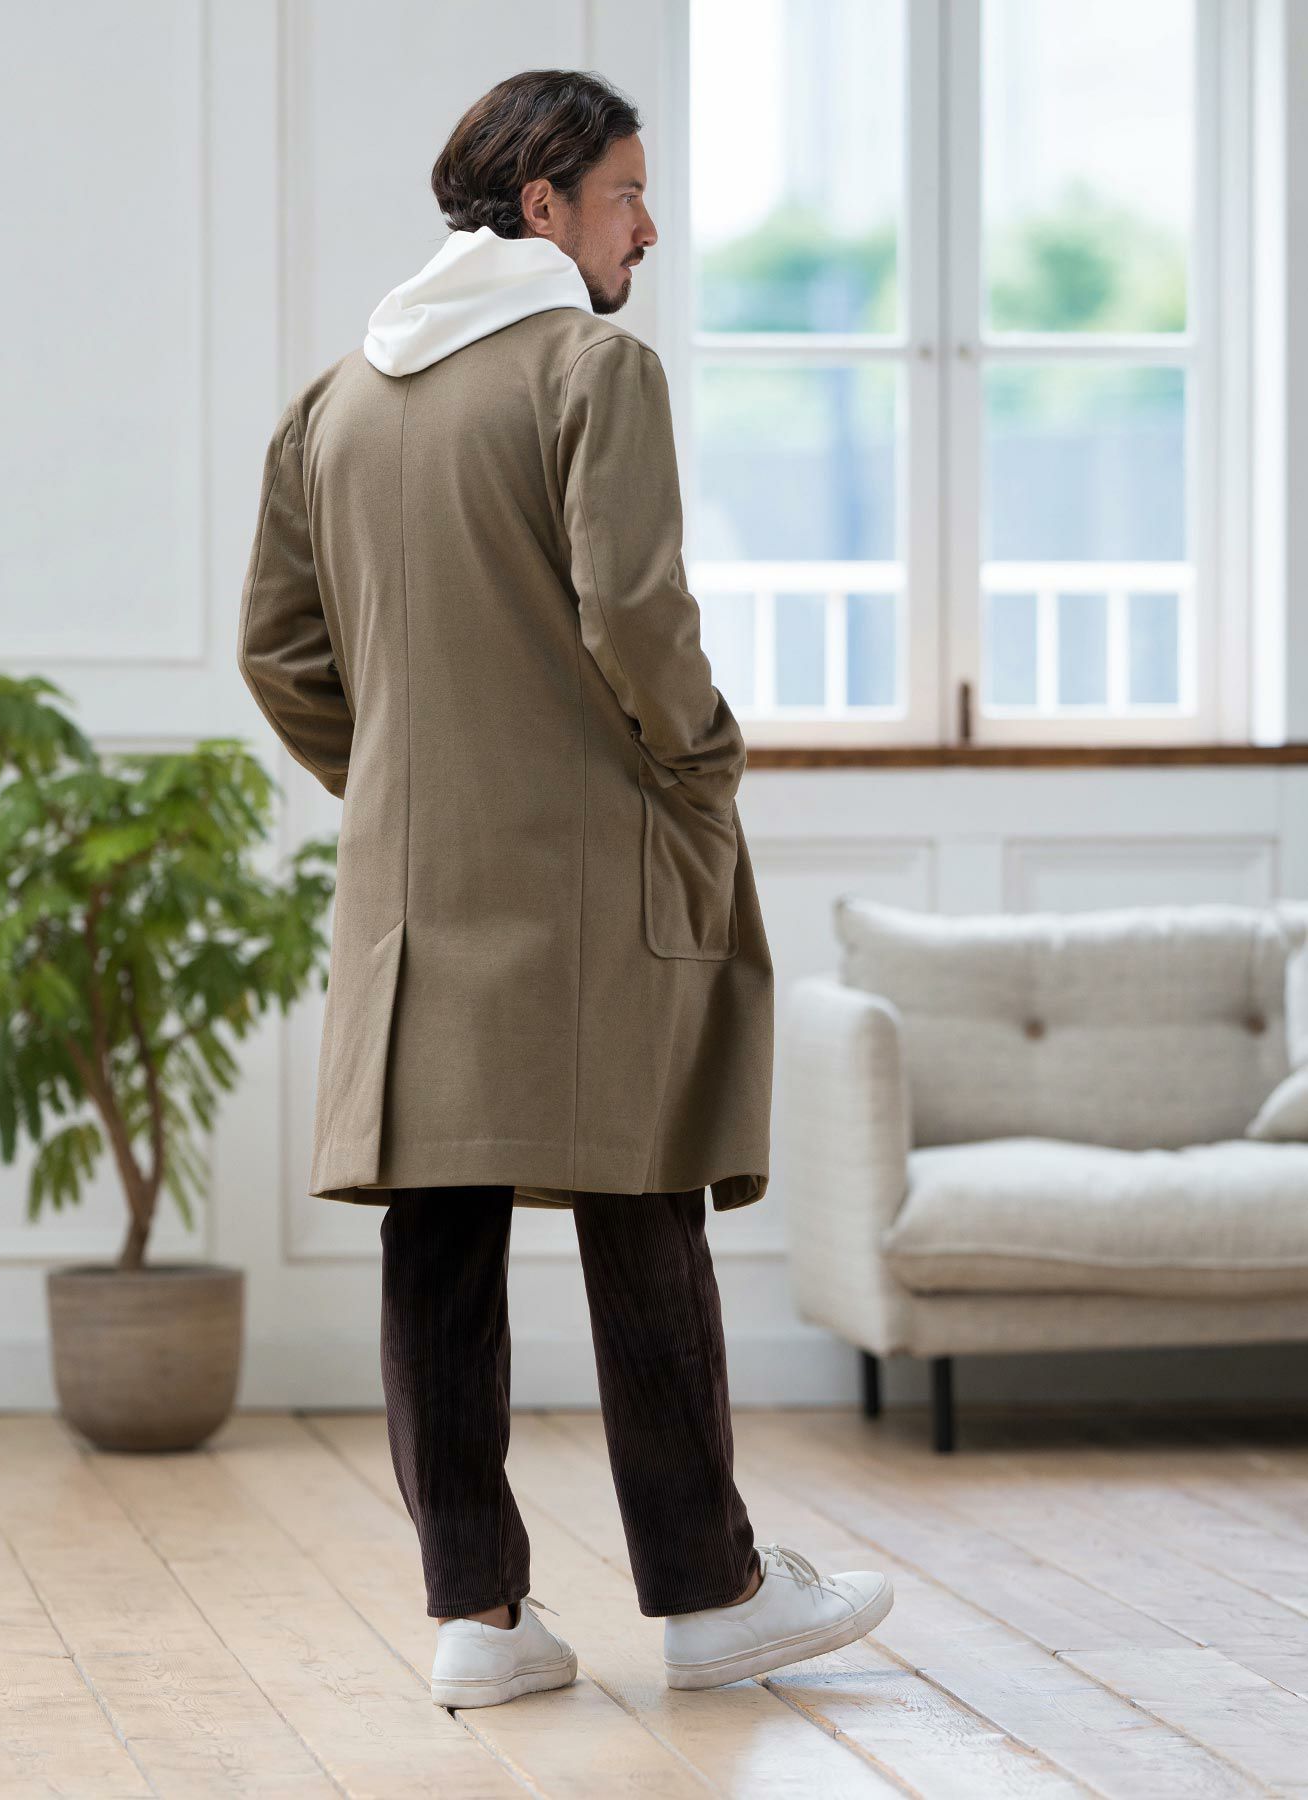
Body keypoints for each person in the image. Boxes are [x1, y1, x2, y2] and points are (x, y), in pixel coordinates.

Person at [237, 67, 893, 1708]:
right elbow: (638, 615)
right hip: (599, 871)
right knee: (641, 1203)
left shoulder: (335, 402)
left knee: (438, 1236)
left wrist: (404, 782)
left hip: (414, 896)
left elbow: (279, 653)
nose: (646, 229)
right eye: (626, 195)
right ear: (543, 206)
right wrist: (702, 762)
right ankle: (712, 1593)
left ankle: (478, 1616)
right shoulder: (592, 370)